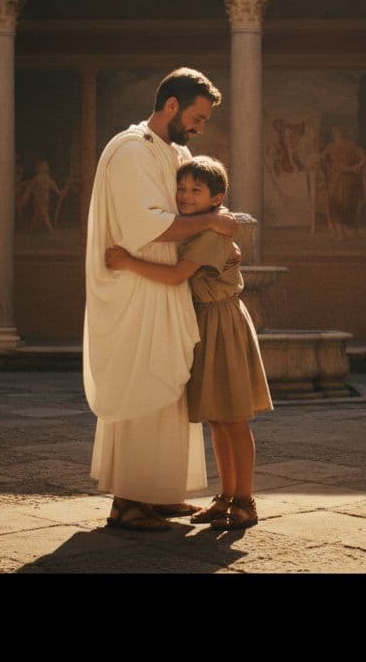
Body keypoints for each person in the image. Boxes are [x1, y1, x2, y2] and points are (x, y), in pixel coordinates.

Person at [82, 67, 239, 532]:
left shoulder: (176, 152)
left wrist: (213, 218)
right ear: (171, 105)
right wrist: (213, 223)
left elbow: (190, 209)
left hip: (166, 288)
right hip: (140, 289)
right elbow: (149, 226)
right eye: (197, 116)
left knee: (169, 390)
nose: (199, 127)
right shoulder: (130, 150)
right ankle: (129, 501)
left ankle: (159, 494)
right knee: (145, 384)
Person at [106, 156, 272, 530]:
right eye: (181, 188)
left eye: (196, 190)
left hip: (222, 324)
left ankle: (245, 500)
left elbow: (177, 276)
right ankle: (225, 496)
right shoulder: (198, 227)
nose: (185, 195)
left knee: (234, 419)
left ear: (217, 198)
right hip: (205, 324)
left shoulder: (212, 233)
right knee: (217, 418)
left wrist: (127, 262)